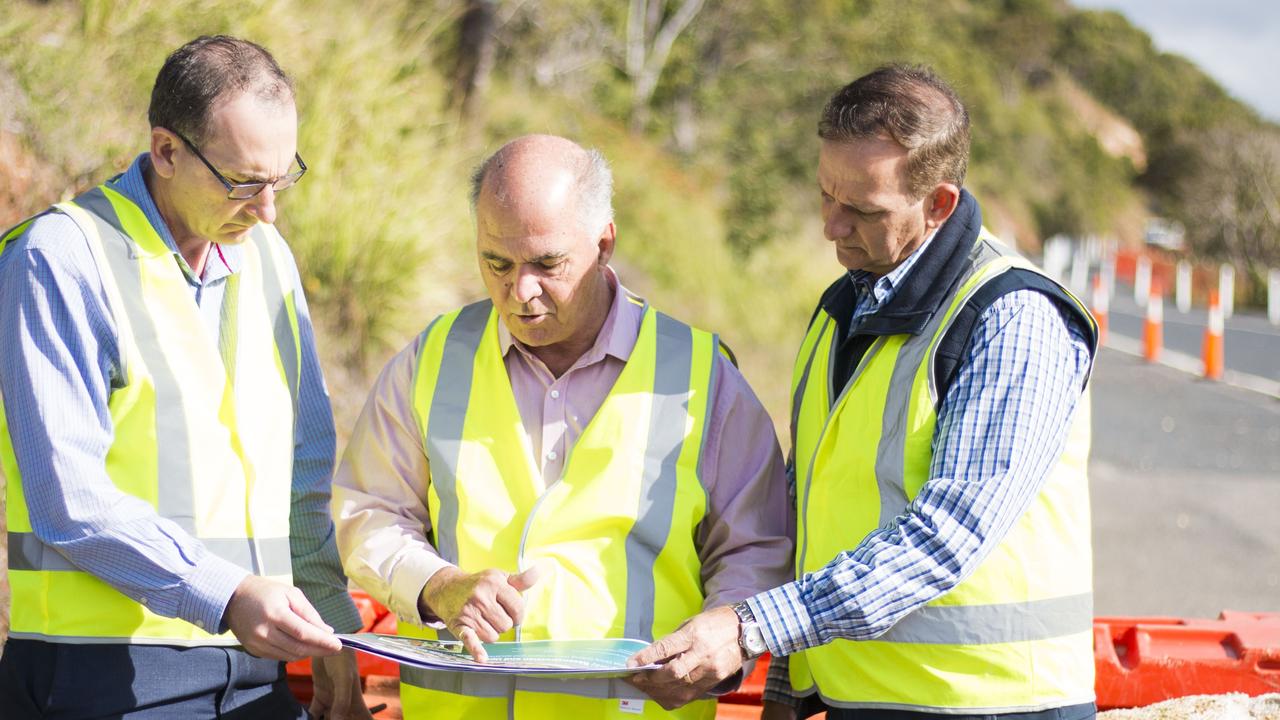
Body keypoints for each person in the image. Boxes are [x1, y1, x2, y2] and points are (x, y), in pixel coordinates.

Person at [630, 65, 1099, 720]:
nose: (831, 226)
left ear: (939, 204)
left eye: (861, 210)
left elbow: (947, 536)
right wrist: (784, 689)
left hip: (990, 705)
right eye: (825, 195)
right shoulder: (839, 310)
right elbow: (813, 511)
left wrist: (748, 629)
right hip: (861, 700)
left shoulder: (1013, 317)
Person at [331, 133, 793, 719]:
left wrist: (725, 634)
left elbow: (757, 548)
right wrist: (437, 585)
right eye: (496, 263)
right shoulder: (432, 360)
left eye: (547, 264)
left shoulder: (703, 378)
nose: (520, 291)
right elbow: (368, 512)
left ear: (605, 244)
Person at [0, 36, 370, 719]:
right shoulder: (59, 259)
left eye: (282, 178)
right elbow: (68, 499)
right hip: (100, 678)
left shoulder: (268, 257)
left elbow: (303, 471)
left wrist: (333, 632)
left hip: (257, 677)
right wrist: (226, 594)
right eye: (243, 182)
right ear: (166, 151)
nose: (268, 211)